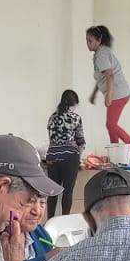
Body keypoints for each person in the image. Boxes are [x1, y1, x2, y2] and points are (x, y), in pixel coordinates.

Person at [85, 25, 130, 160]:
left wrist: (109, 95)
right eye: (86, 40)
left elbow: (110, 75)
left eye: (90, 40)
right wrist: (94, 93)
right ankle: (115, 153)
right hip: (120, 92)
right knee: (110, 125)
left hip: (117, 94)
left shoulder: (101, 55)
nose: (87, 43)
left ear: (99, 41)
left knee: (111, 124)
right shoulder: (101, 53)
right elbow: (102, 77)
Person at [45, 89, 86, 218]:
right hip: (70, 157)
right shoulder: (75, 118)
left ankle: (50, 222)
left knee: (52, 192)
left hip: (52, 157)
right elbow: (81, 141)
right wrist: (79, 157)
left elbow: (52, 139)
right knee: (67, 192)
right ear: (74, 103)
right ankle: (64, 221)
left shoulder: (52, 117)